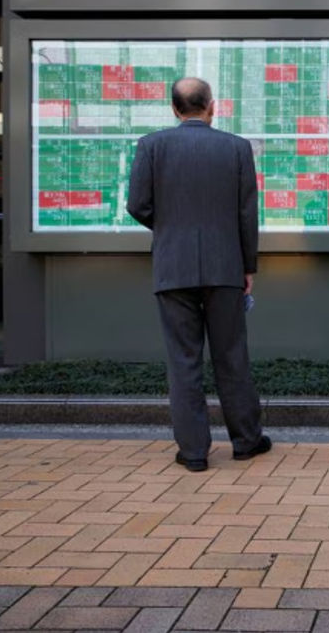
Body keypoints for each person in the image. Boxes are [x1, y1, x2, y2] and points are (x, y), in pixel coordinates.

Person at [127, 77, 271, 473]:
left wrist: (170, 228)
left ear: (175, 109)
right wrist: (247, 267)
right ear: (212, 106)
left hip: (173, 268)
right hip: (226, 267)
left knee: (183, 360)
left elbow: (137, 205)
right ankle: (245, 441)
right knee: (231, 356)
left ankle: (193, 453)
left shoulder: (151, 146)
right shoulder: (237, 148)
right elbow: (247, 214)